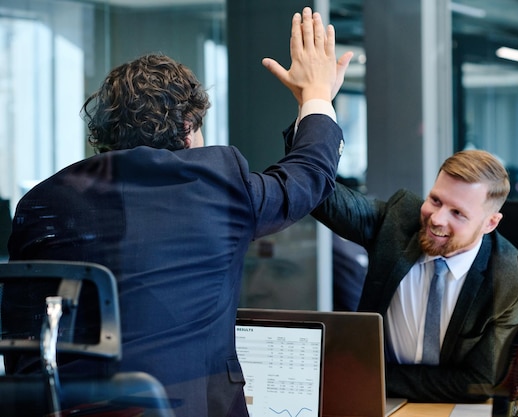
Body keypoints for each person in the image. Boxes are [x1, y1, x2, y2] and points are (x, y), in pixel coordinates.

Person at [6, 7, 352, 417]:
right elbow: (306, 176)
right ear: (188, 126)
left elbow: (24, 347)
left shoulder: (41, 202)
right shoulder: (214, 182)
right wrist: (315, 96)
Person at [310, 149, 518, 403]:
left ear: (490, 223)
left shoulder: (509, 278)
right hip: (377, 402)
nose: (436, 219)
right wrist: (314, 112)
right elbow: (320, 196)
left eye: (457, 213)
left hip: (451, 407)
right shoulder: (398, 220)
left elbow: (478, 382)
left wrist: (371, 375)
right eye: (435, 200)